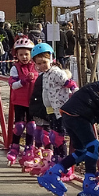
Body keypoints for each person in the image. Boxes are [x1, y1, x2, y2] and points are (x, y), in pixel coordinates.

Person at [37, 75, 99, 196]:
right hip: (78, 115)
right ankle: (90, 184)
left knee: (82, 151)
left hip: (69, 116)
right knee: (93, 146)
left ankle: (53, 173)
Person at [32, 42, 77, 181]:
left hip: (61, 110)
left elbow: (70, 83)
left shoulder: (56, 72)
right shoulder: (45, 74)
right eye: (38, 64)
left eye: (44, 62)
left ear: (51, 59)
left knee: (59, 138)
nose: (41, 66)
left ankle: (65, 168)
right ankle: (56, 162)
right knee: (53, 137)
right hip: (51, 110)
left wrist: (75, 93)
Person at [6, 37, 38, 168]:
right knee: (19, 126)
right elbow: (12, 84)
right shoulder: (15, 68)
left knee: (32, 126)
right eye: (21, 54)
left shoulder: (37, 66)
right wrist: (24, 81)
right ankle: (14, 147)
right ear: (16, 55)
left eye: (26, 54)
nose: (24, 57)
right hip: (19, 100)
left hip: (34, 101)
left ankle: (29, 147)